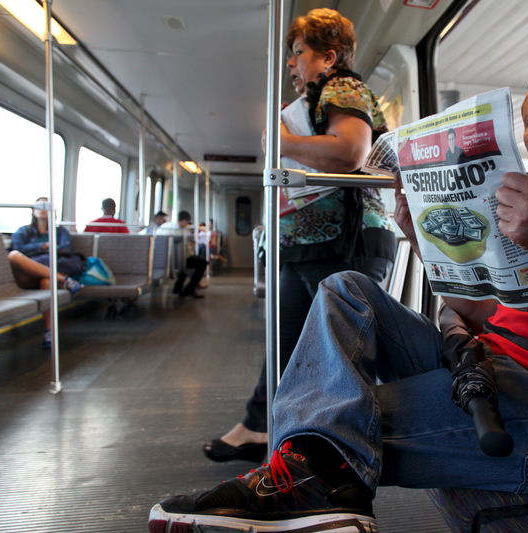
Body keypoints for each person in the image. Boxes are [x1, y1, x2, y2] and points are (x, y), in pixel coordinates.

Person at [149, 65, 528, 532]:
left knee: (325, 426)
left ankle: (308, 476)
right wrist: (425, 244)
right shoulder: (519, 207)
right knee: (346, 287)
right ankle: (313, 474)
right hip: (486, 367)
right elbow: (481, 313)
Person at [201, 8, 397, 464]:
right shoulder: (311, 104)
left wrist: (281, 143)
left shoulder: (343, 86)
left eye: (298, 53)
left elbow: (350, 151)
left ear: (328, 57)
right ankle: (258, 425)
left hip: (345, 241)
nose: (291, 64)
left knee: (340, 356)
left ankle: (342, 453)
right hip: (309, 244)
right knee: (286, 341)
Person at [8, 197, 83, 347]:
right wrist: (44, 246)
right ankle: (64, 280)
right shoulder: (23, 231)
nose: (42, 208)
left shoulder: (60, 231)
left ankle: (49, 332)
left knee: (46, 282)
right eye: (39, 206)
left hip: (49, 266)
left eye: (46, 205)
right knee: (14, 256)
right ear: (33, 210)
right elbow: (18, 248)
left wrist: (37, 252)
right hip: (28, 274)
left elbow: (65, 249)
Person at [157, 210, 207, 298]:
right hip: (172, 259)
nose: (187, 224)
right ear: (183, 221)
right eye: (187, 222)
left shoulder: (179, 228)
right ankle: (188, 289)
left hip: (178, 257)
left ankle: (181, 288)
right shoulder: (171, 229)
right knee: (201, 264)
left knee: (198, 261)